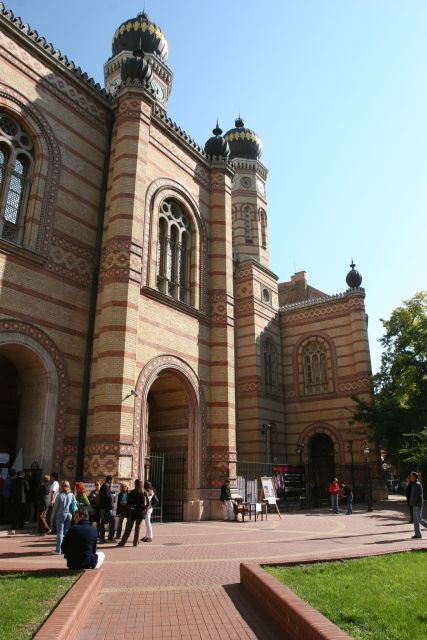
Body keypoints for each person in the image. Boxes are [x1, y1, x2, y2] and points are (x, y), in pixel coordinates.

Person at [117, 479, 147, 547]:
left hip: (133, 512)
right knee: (137, 528)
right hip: (141, 512)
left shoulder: (132, 492)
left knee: (128, 528)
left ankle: (123, 542)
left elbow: (128, 503)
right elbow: (147, 503)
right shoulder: (144, 492)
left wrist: (127, 511)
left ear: (135, 484)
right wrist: (144, 509)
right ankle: (135, 543)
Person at [51, 480, 78, 554]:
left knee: (60, 533)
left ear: (62, 486)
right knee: (66, 533)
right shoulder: (71, 495)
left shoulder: (59, 495)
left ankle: (58, 549)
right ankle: (65, 549)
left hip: (60, 514)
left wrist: (52, 517)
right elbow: (75, 504)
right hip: (69, 514)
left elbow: (55, 507)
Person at [409, 471, 427, 539]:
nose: (410, 477)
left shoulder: (418, 484)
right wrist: (411, 502)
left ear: (414, 477)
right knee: (415, 520)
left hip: (418, 504)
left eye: (411, 476)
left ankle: (418, 534)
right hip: (414, 504)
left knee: (419, 519)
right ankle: (418, 534)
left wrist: (414, 501)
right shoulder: (413, 484)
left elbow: (418, 496)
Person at [98, 475, 115, 542]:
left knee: (104, 522)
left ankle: (103, 537)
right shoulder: (105, 487)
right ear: (109, 481)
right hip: (106, 508)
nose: (112, 483)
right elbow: (107, 498)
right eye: (112, 481)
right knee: (110, 521)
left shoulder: (105, 486)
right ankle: (109, 537)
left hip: (104, 508)